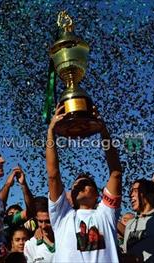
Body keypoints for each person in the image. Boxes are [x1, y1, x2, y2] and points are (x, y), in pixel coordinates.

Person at [46, 105, 122, 262]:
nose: (78, 187)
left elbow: (115, 173)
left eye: (85, 184)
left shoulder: (106, 213)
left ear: (97, 194)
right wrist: (51, 131)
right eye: (75, 186)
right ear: (69, 197)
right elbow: (53, 175)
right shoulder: (62, 216)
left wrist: (103, 130)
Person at [24, 197, 55, 263]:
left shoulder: (64, 237)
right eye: (40, 221)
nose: (44, 226)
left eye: (48, 221)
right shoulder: (30, 245)